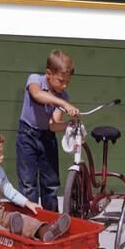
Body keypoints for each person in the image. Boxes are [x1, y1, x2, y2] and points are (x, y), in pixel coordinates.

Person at [0, 126, 71, 242]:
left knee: (19, 218)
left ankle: (45, 230)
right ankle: (15, 238)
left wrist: (27, 203)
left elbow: (9, 190)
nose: (2, 156)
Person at [16, 50, 79, 212]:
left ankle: (51, 221)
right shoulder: (35, 80)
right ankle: (30, 221)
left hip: (47, 137)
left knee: (50, 184)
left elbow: (53, 125)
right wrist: (63, 104)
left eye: (68, 82)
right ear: (49, 73)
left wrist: (69, 124)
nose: (64, 85)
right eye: (61, 81)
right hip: (27, 135)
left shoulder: (63, 96)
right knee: (28, 184)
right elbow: (37, 95)